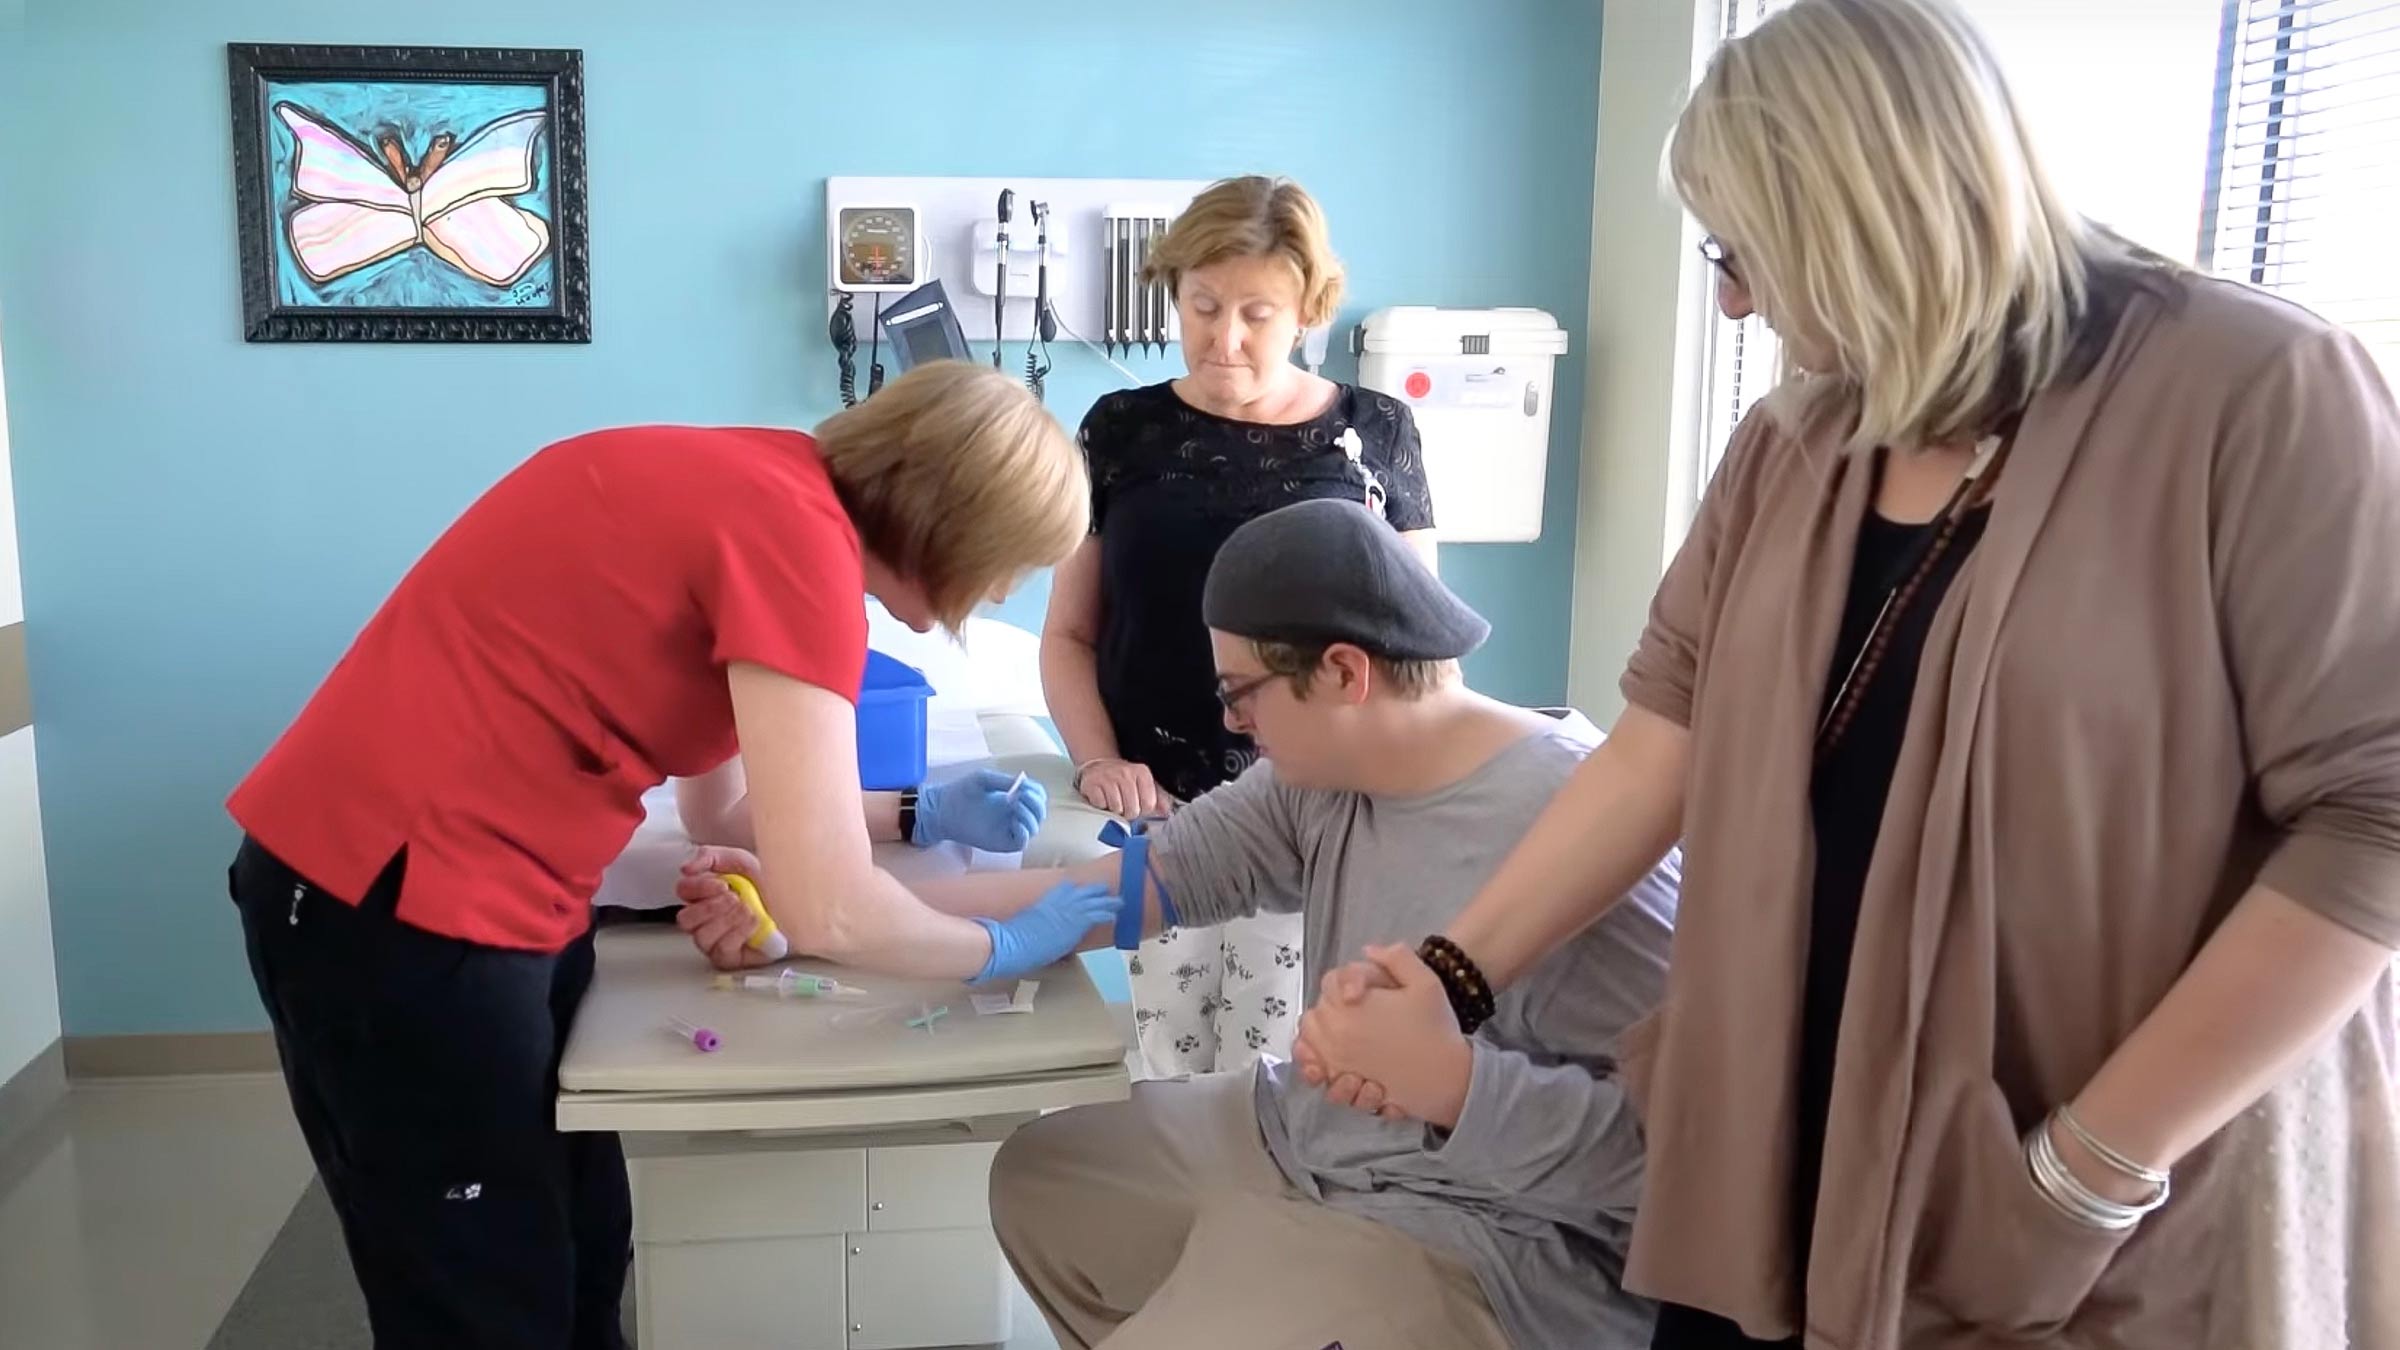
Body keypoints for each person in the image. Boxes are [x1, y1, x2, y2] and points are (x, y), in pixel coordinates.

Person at [1296, 3, 2400, 1348]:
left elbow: (2373, 818)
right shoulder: (1797, 440)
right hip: (1778, 1147)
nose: (1733, 301)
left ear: (1867, 213)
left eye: (1741, 253)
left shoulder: (2255, 392)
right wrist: (1455, 970)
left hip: (2092, 1179)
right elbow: (1662, 740)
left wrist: (2084, 1170)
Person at [223, 360, 1124, 1350]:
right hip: (390, 897)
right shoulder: (793, 544)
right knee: (481, 1294)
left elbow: (724, 809)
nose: (997, 595)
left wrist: (917, 810)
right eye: (1008, 567)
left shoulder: (769, 493)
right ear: (954, 526)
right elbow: (832, 909)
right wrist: (1000, 946)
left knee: (585, 1239)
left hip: (489, 893)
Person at [682, 499, 1680, 1349]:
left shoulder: (1593, 843)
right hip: (1312, 1139)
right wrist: (814, 909)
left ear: (1342, 672)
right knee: (1049, 1180)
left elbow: (1668, 1170)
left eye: (1241, 697)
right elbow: (1117, 888)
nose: (1234, 728)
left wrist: (1458, 1089)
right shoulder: (1322, 779)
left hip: (1492, 1233)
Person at [1040, 173, 1439, 1078]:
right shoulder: (1120, 429)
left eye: (1257, 313)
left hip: (1320, 814)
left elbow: (1420, 656)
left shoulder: (1375, 432)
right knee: (1164, 1077)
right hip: (1159, 818)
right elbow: (1068, 635)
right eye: (1203, 304)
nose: (1225, 338)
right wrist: (1100, 760)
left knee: (1284, 1074)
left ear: (1307, 310)